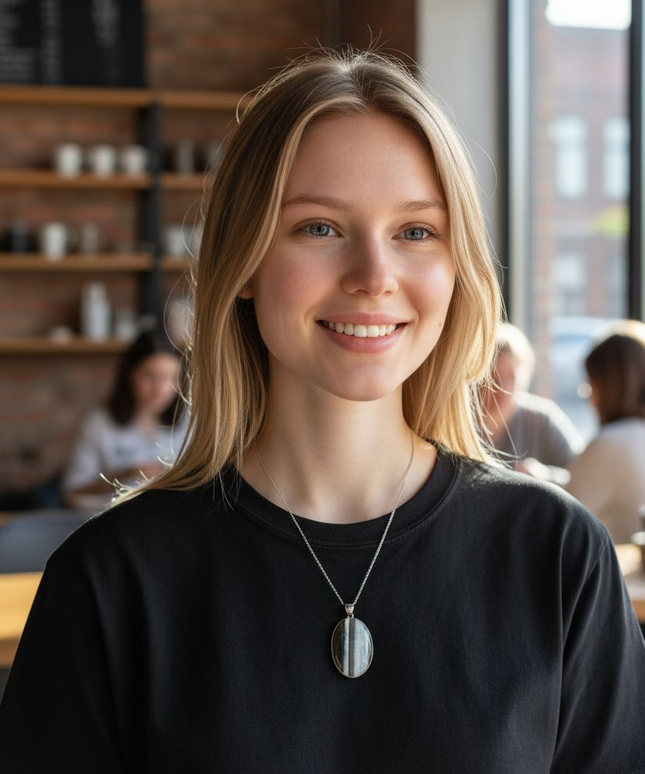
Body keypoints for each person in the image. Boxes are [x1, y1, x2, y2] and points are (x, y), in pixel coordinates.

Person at [0, 49, 643, 772]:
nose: (373, 277)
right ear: (242, 262)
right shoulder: (112, 580)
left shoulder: (556, 557)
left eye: (414, 232)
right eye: (319, 228)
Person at [61, 329, 188, 510]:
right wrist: (123, 476)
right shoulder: (99, 423)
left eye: (171, 378)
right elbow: (72, 493)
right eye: (150, 376)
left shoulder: (188, 421)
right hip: (112, 522)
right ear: (130, 375)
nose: (160, 389)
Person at [566, 320, 645, 544]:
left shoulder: (608, 444)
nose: (590, 396)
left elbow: (561, 518)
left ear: (607, 386)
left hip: (625, 575)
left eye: (591, 384)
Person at [481, 322, 583, 482]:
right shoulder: (458, 423)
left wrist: (544, 477)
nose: (501, 388)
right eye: (492, 377)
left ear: (525, 378)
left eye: (510, 377)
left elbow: (584, 475)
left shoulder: (541, 420)